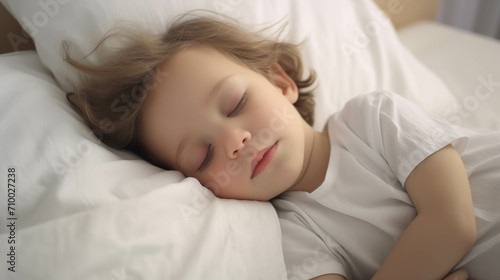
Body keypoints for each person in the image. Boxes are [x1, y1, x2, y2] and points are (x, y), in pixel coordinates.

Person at [63, 14, 499, 280]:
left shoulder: (374, 118)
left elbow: (453, 222)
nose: (234, 142)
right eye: (203, 155)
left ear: (280, 82)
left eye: (235, 104)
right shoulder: (290, 238)